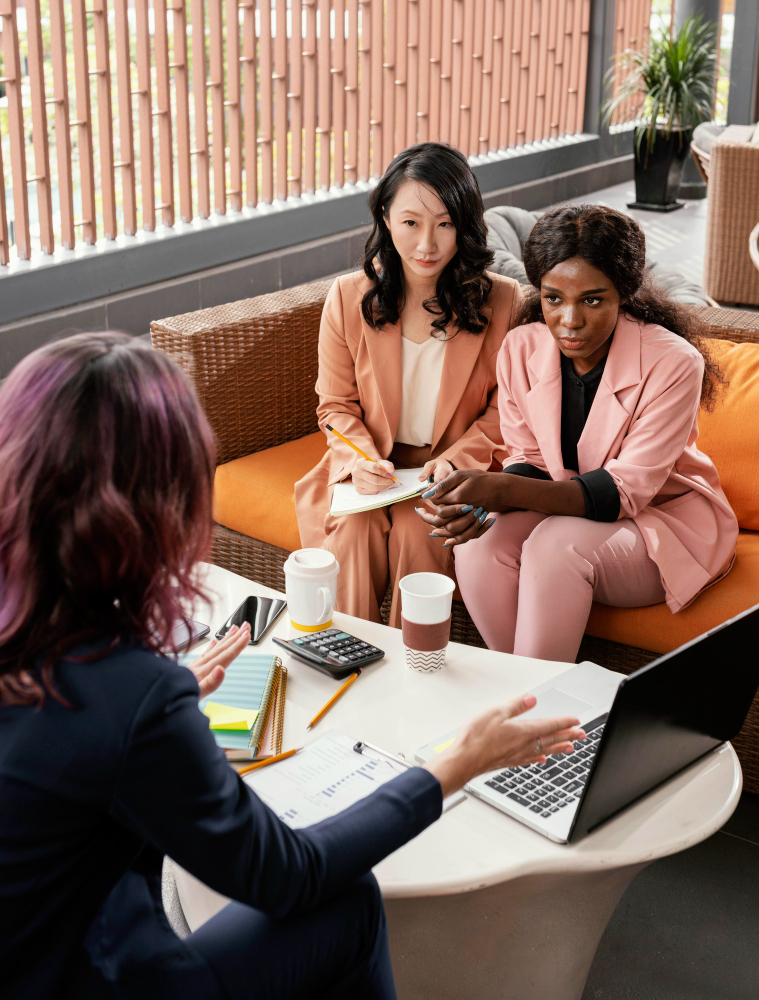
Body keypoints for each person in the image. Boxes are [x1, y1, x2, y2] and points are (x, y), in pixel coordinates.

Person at [0, 332, 585, 1000]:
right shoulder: (132, 695)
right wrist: (455, 764)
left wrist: (150, 707)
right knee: (345, 901)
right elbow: (289, 874)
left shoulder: (74, 662)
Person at [415, 205, 738, 662]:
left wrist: (503, 489)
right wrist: (487, 499)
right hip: (569, 508)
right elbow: (532, 459)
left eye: (592, 300)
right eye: (553, 298)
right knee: (478, 544)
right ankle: (529, 701)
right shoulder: (521, 348)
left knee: (554, 547)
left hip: (661, 522)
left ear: (623, 293)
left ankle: (531, 712)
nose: (569, 320)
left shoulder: (674, 363)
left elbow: (623, 492)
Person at [295, 142, 522, 626]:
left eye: (445, 224)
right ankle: (345, 663)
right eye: (411, 222)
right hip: (371, 469)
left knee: (423, 533)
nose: (427, 245)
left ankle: (414, 672)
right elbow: (334, 406)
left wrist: (456, 462)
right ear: (385, 216)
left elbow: (508, 411)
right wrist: (359, 460)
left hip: (452, 474)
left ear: (465, 223)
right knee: (354, 532)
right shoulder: (347, 297)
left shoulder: (503, 301)